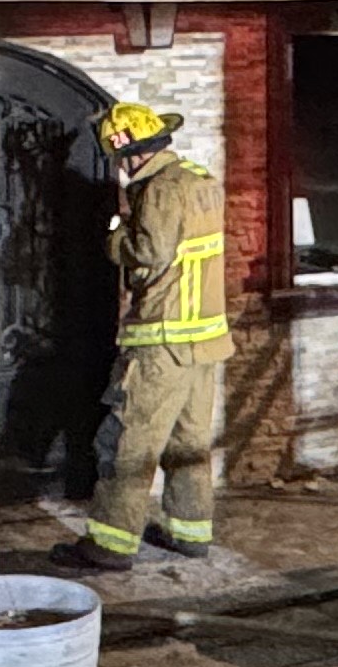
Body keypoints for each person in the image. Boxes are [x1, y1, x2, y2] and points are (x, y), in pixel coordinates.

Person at [59, 97, 228, 571]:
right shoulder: (200, 180)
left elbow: (148, 253)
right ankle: (188, 531)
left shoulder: (156, 190)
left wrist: (114, 234)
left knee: (129, 443)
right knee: (188, 443)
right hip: (205, 339)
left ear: (130, 154)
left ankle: (109, 544)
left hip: (161, 340)